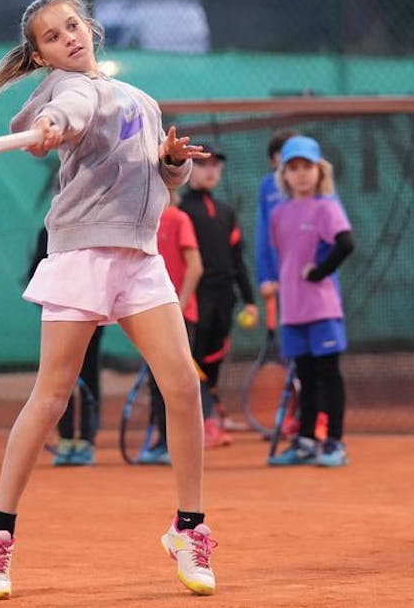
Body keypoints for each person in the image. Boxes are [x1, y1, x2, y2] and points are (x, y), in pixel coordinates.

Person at [0, 0, 217, 600]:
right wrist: (51, 126)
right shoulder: (60, 91)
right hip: (82, 253)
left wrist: (174, 163)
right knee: (52, 395)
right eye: (53, 36)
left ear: (91, 28)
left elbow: (161, 177)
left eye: (73, 25)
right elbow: (62, 115)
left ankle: (189, 528)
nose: (69, 38)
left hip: (140, 255)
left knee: (183, 385)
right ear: (40, 54)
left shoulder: (143, 101)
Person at [266, 136, 354, 468]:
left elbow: (346, 244)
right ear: (284, 174)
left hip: (322, 309)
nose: (301, 174)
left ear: (320, 172)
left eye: (308, 167)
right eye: (294, 168)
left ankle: (333, 442)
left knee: (328, 374)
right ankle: (304, 441)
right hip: (293, 311)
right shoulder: (278, 214)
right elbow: (283, 258)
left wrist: (320, 272)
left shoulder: (326, 207)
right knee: (305, 376)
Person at [178, 145, 257, 447]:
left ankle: (212, 412)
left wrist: (249, 299)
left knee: (213, 358)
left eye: (216, 166)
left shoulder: (226, 212)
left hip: (225, 297)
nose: (211, 171)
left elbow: (237, 260)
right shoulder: (182, 211)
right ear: (188, 170)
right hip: (197, 298)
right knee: (193, 360)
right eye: (203, 165)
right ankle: (201, 420)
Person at [28, 226, 103, 467]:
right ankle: (67, 438)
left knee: (89, 374)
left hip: (94, 313)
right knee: (61, 381)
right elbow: (36, 273)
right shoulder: (48, 231)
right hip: (62, 314)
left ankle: (87, 441)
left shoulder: (98, 230)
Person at [140, 190, 204, 465]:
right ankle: (162, 441)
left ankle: (177, 445)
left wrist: (180, 304)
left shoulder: (179, 219)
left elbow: (195, 267)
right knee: (156, 382)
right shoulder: (142, 222)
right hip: (149, 313)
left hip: (178, 313)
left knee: (178, 382)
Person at [254, 130, 296, 304]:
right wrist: (265, 277)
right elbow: (263, 233)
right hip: (281, 278)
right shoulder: (268, 186)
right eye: (282, 152)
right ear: (273, 161)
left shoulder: (315, 188)